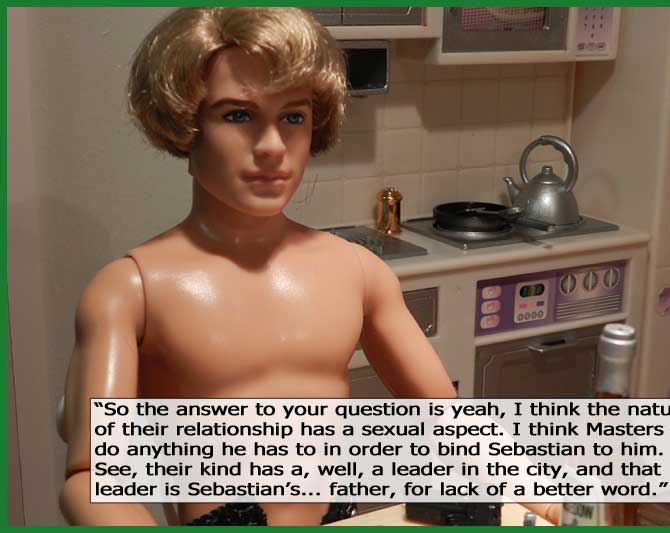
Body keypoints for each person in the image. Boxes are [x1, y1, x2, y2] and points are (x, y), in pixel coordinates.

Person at [58, 7, 457, 526]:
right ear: (186, 125)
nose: (272, 147)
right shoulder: (132, 290)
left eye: (292, 118)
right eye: (238, 116)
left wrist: (542, 499)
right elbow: (89, 479)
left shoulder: (359, 274)